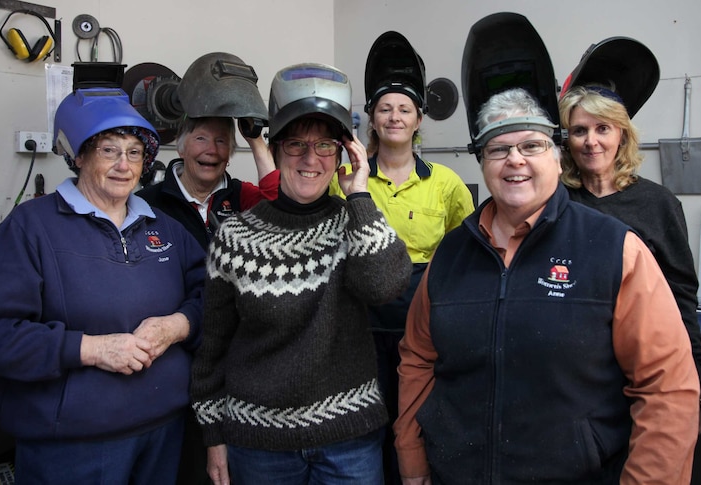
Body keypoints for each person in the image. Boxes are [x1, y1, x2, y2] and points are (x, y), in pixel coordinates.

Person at [394, 88, 701, 484]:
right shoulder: (450, 254)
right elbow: (418, 360)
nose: (515, 159)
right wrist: (412, 460)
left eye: (532, 145)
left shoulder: (614, 249)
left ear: (557, 157)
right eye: (497, 148)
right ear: (483, 163)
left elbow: (667, 388)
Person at [0, 87, 207, 484]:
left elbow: (213, 298)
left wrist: (177, 326)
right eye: (109, 150)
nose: (124, 165)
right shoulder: (31, 227)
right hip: (73, 445)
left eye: (134, 152)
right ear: (80, 156)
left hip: (164, 431)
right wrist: (91, 349)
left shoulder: (165, 228)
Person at [191, 62, 412, 485]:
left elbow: (385, 286)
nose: (310, 158)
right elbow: (213, 345)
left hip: (349, 441)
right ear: (275, 150)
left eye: (325, 145)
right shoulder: (235, 237)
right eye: (295, 144)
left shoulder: (356, 222)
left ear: (344, 154)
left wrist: (360, 194)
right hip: (258, 444)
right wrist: (212, 433)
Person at [330, 31, 474, 485]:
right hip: (360, 327)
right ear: (371, 118)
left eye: (404, 109)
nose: (394, 116)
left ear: (418, 120)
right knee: (365, 427)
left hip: (425, 329)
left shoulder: (447, 184)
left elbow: (466, 257)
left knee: (416, 427)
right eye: (385, 108)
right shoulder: (345, 180)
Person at [558, 84, 701, 373]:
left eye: (603, 128)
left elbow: (681, 294)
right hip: (571, 365)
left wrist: (691, 371)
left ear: (621, 135)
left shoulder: (658, 204)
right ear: (566, 140)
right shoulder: (556, 201)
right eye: (579, 131)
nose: (591, 141)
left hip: (638, 359)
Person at [137, 52, 278, 251]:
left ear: (229, 154)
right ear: (181, 148)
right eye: (201, 138)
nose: (211, 150)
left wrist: (255, 140)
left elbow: (281, 210)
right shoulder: (147, 203)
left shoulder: (240, 197)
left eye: (221, 140)